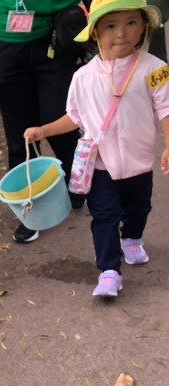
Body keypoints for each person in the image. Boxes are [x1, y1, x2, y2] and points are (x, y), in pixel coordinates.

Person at [23, 0, 169, 297]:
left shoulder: (157, 69)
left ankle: (131, 239)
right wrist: (44, 130)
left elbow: (166, 107)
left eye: (131, 23)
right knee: (103, 215)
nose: (121, 33)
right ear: (95, 33)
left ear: (143, 27)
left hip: (138, 162)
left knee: (139, 207)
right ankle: (109, 271)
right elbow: (75, 116)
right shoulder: (83, 77)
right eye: (111, 26)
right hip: (100, 163)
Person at [0, 0, 88, 243]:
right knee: (20, 136)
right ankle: (29, 210)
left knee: (59, 123)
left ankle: (76, 182)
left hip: (55, 41)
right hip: (6, 51)